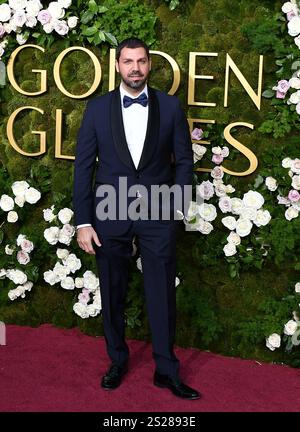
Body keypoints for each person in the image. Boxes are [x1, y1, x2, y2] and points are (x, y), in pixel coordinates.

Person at [73, 37, 200, 400]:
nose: (135, 68)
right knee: (111, 290)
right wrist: (83, 221)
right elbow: (84, 168)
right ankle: (117, 360)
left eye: (141, 61)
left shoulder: (171, 107)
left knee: (161, 292)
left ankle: (166, 370)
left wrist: (177, 205)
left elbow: (184, 161)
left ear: (149, 64)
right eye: (128, 61)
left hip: (158, 210)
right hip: (109, 212)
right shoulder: (97, 110)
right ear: (117, 65)